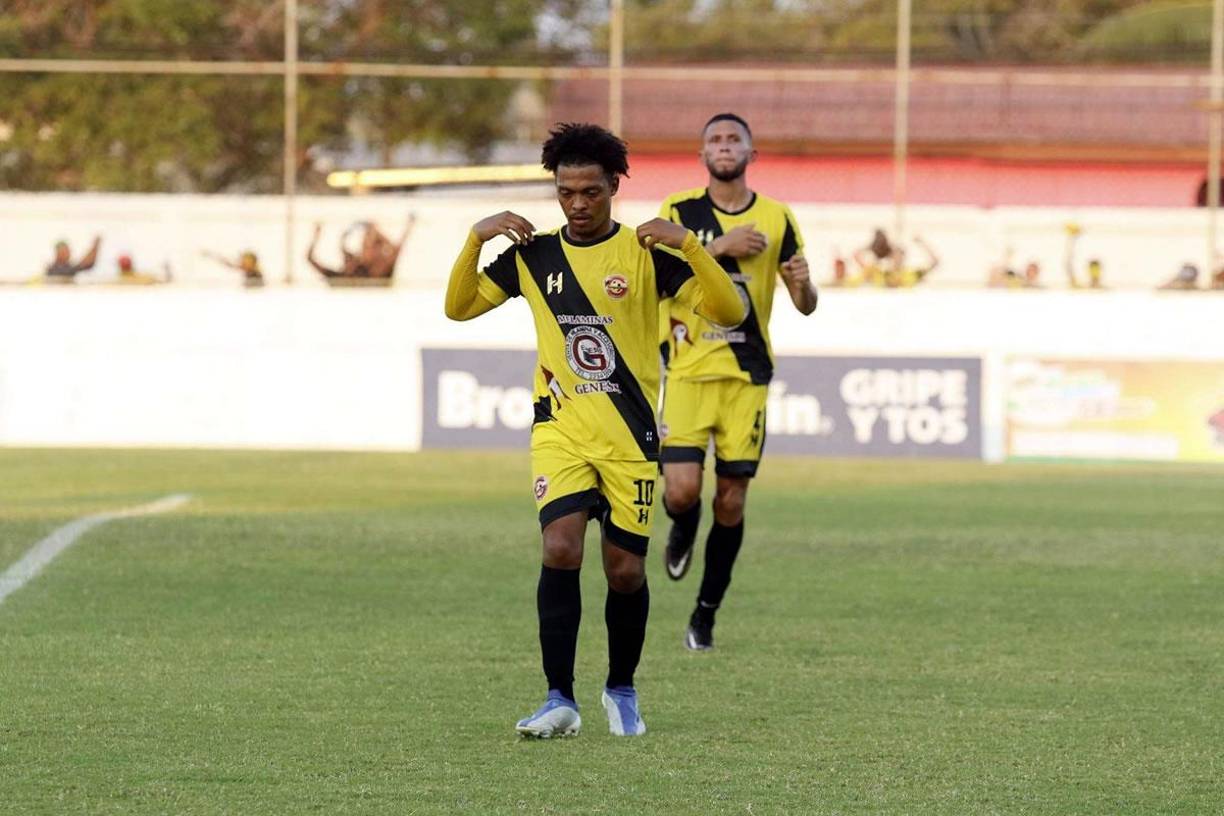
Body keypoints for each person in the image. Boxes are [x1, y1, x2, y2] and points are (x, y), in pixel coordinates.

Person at [444, 123, 744, 738]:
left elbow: (728, 310)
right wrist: (475, 239)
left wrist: (690, 246)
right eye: (565, 192)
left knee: (625, 573)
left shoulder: (646, 253)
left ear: (613, 187)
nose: (577, 204)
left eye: (590, 192)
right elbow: (460, 305)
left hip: (631, 441)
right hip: (561, 432)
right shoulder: (535, 254)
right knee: (558, 547)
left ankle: (621, 687)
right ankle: (559, 697)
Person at [656, 113, 817, 652]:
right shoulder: (678, 212)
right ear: (702, 154)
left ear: (753, 152)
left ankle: (705, 613)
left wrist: (804, 286)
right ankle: (682, 524)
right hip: (687, 369)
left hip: (746, 375)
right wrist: (718, 248)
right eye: (714, 140)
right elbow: (653, 281)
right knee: (681, 491)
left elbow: (806, 304)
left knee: (732, 500)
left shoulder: (777, 217)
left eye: (734, 139)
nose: (724, 147)